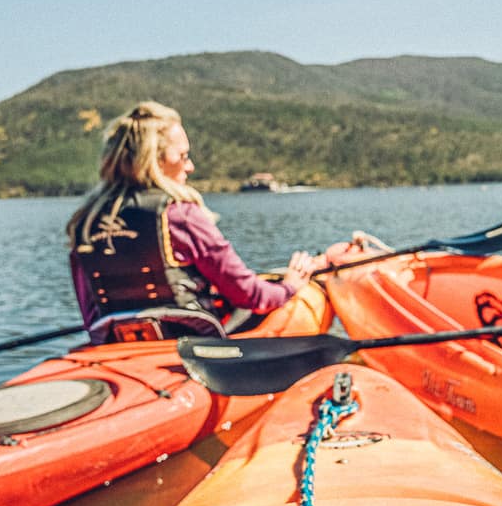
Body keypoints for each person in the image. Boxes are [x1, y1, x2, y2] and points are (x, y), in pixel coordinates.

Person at [67, 101, 317, 342]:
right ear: (154, 160)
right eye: (183, 156)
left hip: (117, 344)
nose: (190, 166)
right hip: (191, 345)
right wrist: (290, 287)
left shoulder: (84, 223)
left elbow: (91, 318)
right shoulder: (180, 215)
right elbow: (250, 295)